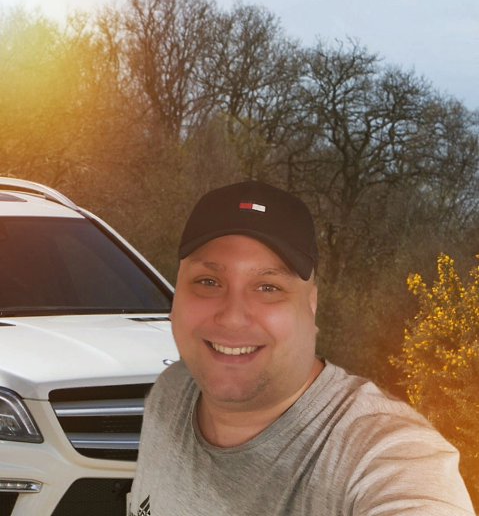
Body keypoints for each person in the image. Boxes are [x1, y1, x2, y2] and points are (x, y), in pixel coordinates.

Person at [129, 180, 475, 516]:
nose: (233, 317)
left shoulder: (382, 453)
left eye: (268, 287)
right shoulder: (169, 393)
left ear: (311, 305)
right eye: (208, 281)